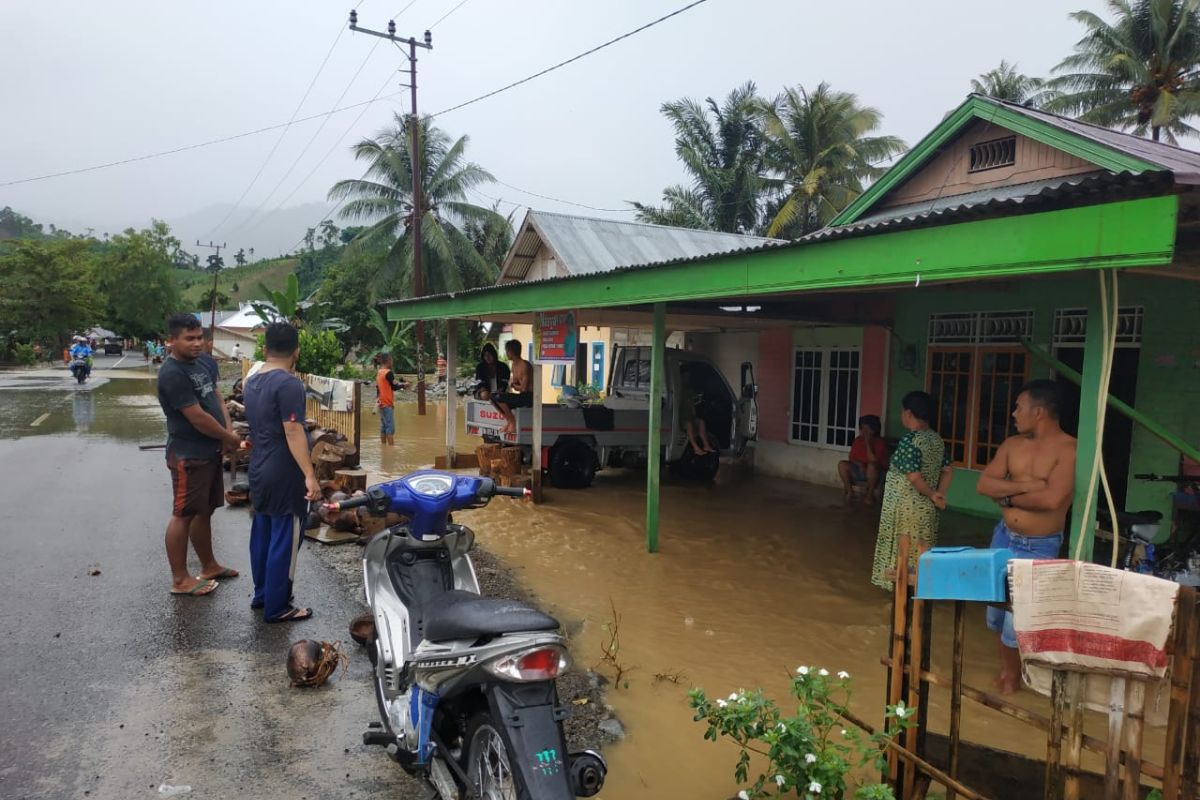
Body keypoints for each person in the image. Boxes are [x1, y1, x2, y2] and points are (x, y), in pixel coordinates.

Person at [976, 379, 1076, 694]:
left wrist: (1005, 495)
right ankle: (1009, 673)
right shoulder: (1012, 445)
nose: (1014, 414)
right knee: (994, 614)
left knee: (1017, 621)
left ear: (1040, 412)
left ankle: (1017, 679)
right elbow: (984, 485)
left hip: (1039, 545)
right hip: (1003, 537)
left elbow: (1052, 500)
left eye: (1019, 407)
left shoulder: (1070, 449)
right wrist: (1026, 488)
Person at [156, 312, 244, 597]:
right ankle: (180, 579)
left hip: (209, 450)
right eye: (189, 339)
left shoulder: (200, 364)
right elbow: (196, 417)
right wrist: (228, 436)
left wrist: (228, 433)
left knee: (203, 511)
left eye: (199, 338)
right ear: (171, 341)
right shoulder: (172, 373)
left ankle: (209, 566)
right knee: (183, 514)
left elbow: (216, 398)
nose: (196, 344)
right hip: (188, 453)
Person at [243, 322, 321, 623]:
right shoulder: (288, 384)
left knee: (263, 531)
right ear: (296, 352)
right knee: (285, 537)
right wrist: (310, 476)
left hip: (260, 466)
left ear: (265, 349)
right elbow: (292, 431)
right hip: (283, 469)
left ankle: (262, 594)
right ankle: (278, 606)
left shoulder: (253, 380)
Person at [871, 391, 954, 591]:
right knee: (921, 555)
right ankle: (918, 598)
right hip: (927, 510)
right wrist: (938, 495)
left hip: (905, 510)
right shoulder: (936, 439)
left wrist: (931, 493)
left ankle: (901, 603)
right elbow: (948, 470)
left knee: (902, 556)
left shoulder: (911, 440)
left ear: (908, 413)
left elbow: (913, 476)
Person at [839, 415, 888, 506]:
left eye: (867, 428)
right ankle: (850, 492)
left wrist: (868, 443)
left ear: (874, 430)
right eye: (863, 428)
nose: (864, 431)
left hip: (876, 473)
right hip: (859, 470)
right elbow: (852, 458)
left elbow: (874, 460)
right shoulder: (858, 440)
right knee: (842, 464)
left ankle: (869, 495)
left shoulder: (880, 442)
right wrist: (860, 464)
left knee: (871, 466)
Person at [492, 339, 532, 435]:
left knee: (499, 397)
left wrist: (513, 385)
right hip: (521, 395)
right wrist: (512, 383)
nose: (506, 353)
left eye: (507, 351)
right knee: (493, 397)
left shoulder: (525, 365)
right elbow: (516, 382)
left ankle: (512, 422)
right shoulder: (514, 365)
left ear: (511, 351)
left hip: (529, 397)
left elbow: (524, 388)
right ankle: (509, 421)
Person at [680, 363, 714, 456]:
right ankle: (696, 448)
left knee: (701, 421)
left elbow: (693, 404)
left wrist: (695, 415)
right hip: (681, 418)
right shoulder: (679, 390)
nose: (687, 379)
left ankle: (706, 445)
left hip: (690, 416)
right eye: (685, 377)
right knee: (689, 424)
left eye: (688, 376)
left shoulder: (690, 390)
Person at [376, 353, 404, 446]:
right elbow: (395, 387)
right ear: (388, 361)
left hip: (380, 402)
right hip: (387, 403)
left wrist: (377, 401)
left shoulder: (380, 372)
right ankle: (391, 449)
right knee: (390, 428)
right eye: (391, 360)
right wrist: (404, 385)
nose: (392, 362)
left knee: (383, 426)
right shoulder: (388, 372)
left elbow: (379, 388)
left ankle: (383, 447)